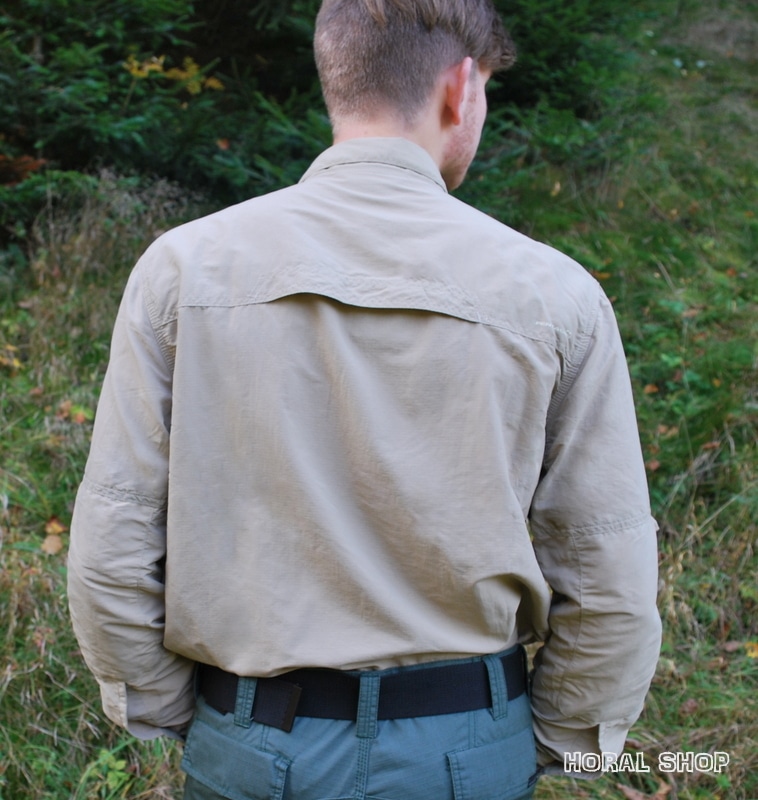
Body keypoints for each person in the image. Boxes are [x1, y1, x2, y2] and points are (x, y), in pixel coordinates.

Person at [68, 1, 662, 797]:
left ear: (336, 80)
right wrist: (548, 742)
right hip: (464, 747)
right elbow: (606, 569)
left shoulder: (183, 271)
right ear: (461, 88)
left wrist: (193, 713)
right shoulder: (555, 295)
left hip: (252, 741)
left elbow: (114, 537)